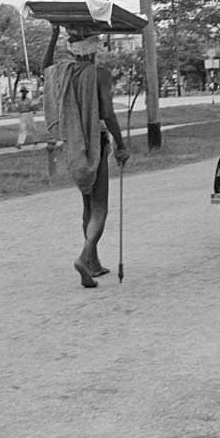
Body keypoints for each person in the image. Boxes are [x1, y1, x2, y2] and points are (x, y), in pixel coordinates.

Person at [43, 25, 131, 288]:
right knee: (100, 206)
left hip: (73, 146)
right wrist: (121, 144)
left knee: (87, 205)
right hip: (96, 144)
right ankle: (84, 257)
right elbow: (107, 114)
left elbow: (45, 65)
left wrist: (54, 33)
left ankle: (93, 263)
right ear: (93, 49)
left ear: (72, 48)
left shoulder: (61, 72)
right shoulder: (99, 74)